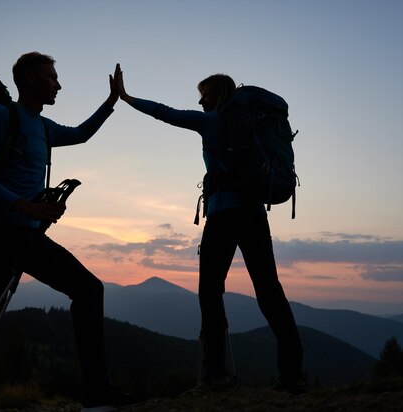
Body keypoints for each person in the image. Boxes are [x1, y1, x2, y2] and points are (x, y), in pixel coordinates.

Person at [0, 52, 141, 412]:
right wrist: (24, 206)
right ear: (30, 79)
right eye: (52, 77)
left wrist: (111, 101)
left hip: (25, 235)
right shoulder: (1, 116)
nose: (59, 84)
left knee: (87, 290)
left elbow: (82, 135)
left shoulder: (42, 126)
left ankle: (98, 395)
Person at [116, 67, 306, 394]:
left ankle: (216, 374)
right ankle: (293, 374)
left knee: (210, 291)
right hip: (254, 214)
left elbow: (166, 114)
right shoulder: (248, 125)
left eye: (203, 94)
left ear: (216, 95)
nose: (200, 101)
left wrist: (128, 98)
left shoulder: (212, 122)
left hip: (223, 215)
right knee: (269, 290)